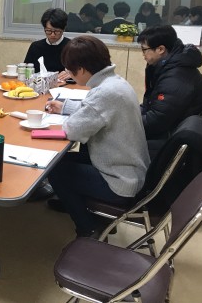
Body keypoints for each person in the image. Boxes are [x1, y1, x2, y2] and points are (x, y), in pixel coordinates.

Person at [45, 36, 149, 238]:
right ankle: (82, 208)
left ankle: (88, 229)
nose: (70, 75)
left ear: (81, 69)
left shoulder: (105, 93)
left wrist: (59, 119)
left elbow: (73, 130)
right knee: (62, 160)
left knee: (56, 171)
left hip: (120, 182)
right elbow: (97, 111)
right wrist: (65, 106)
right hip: (129, 168)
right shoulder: (115, 82)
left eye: (70, 71)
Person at [138, 25, 202, 155]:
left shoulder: (177, 76)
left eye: (144, 49)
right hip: (171, 126)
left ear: (160, 49)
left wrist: (128, 123)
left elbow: (157, 121)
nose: (143, 55)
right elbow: (150, 104)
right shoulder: (167, 66)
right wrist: (131, 113)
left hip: (172, 137)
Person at [23, 8, 71, 80]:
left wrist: (71, 74)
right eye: (48, 31)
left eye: (57, 31)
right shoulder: (35, 46)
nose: (52, 35)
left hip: (63, 85)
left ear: (64, 29)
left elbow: (80, 73)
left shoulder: (71, 47)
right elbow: (26, 69)